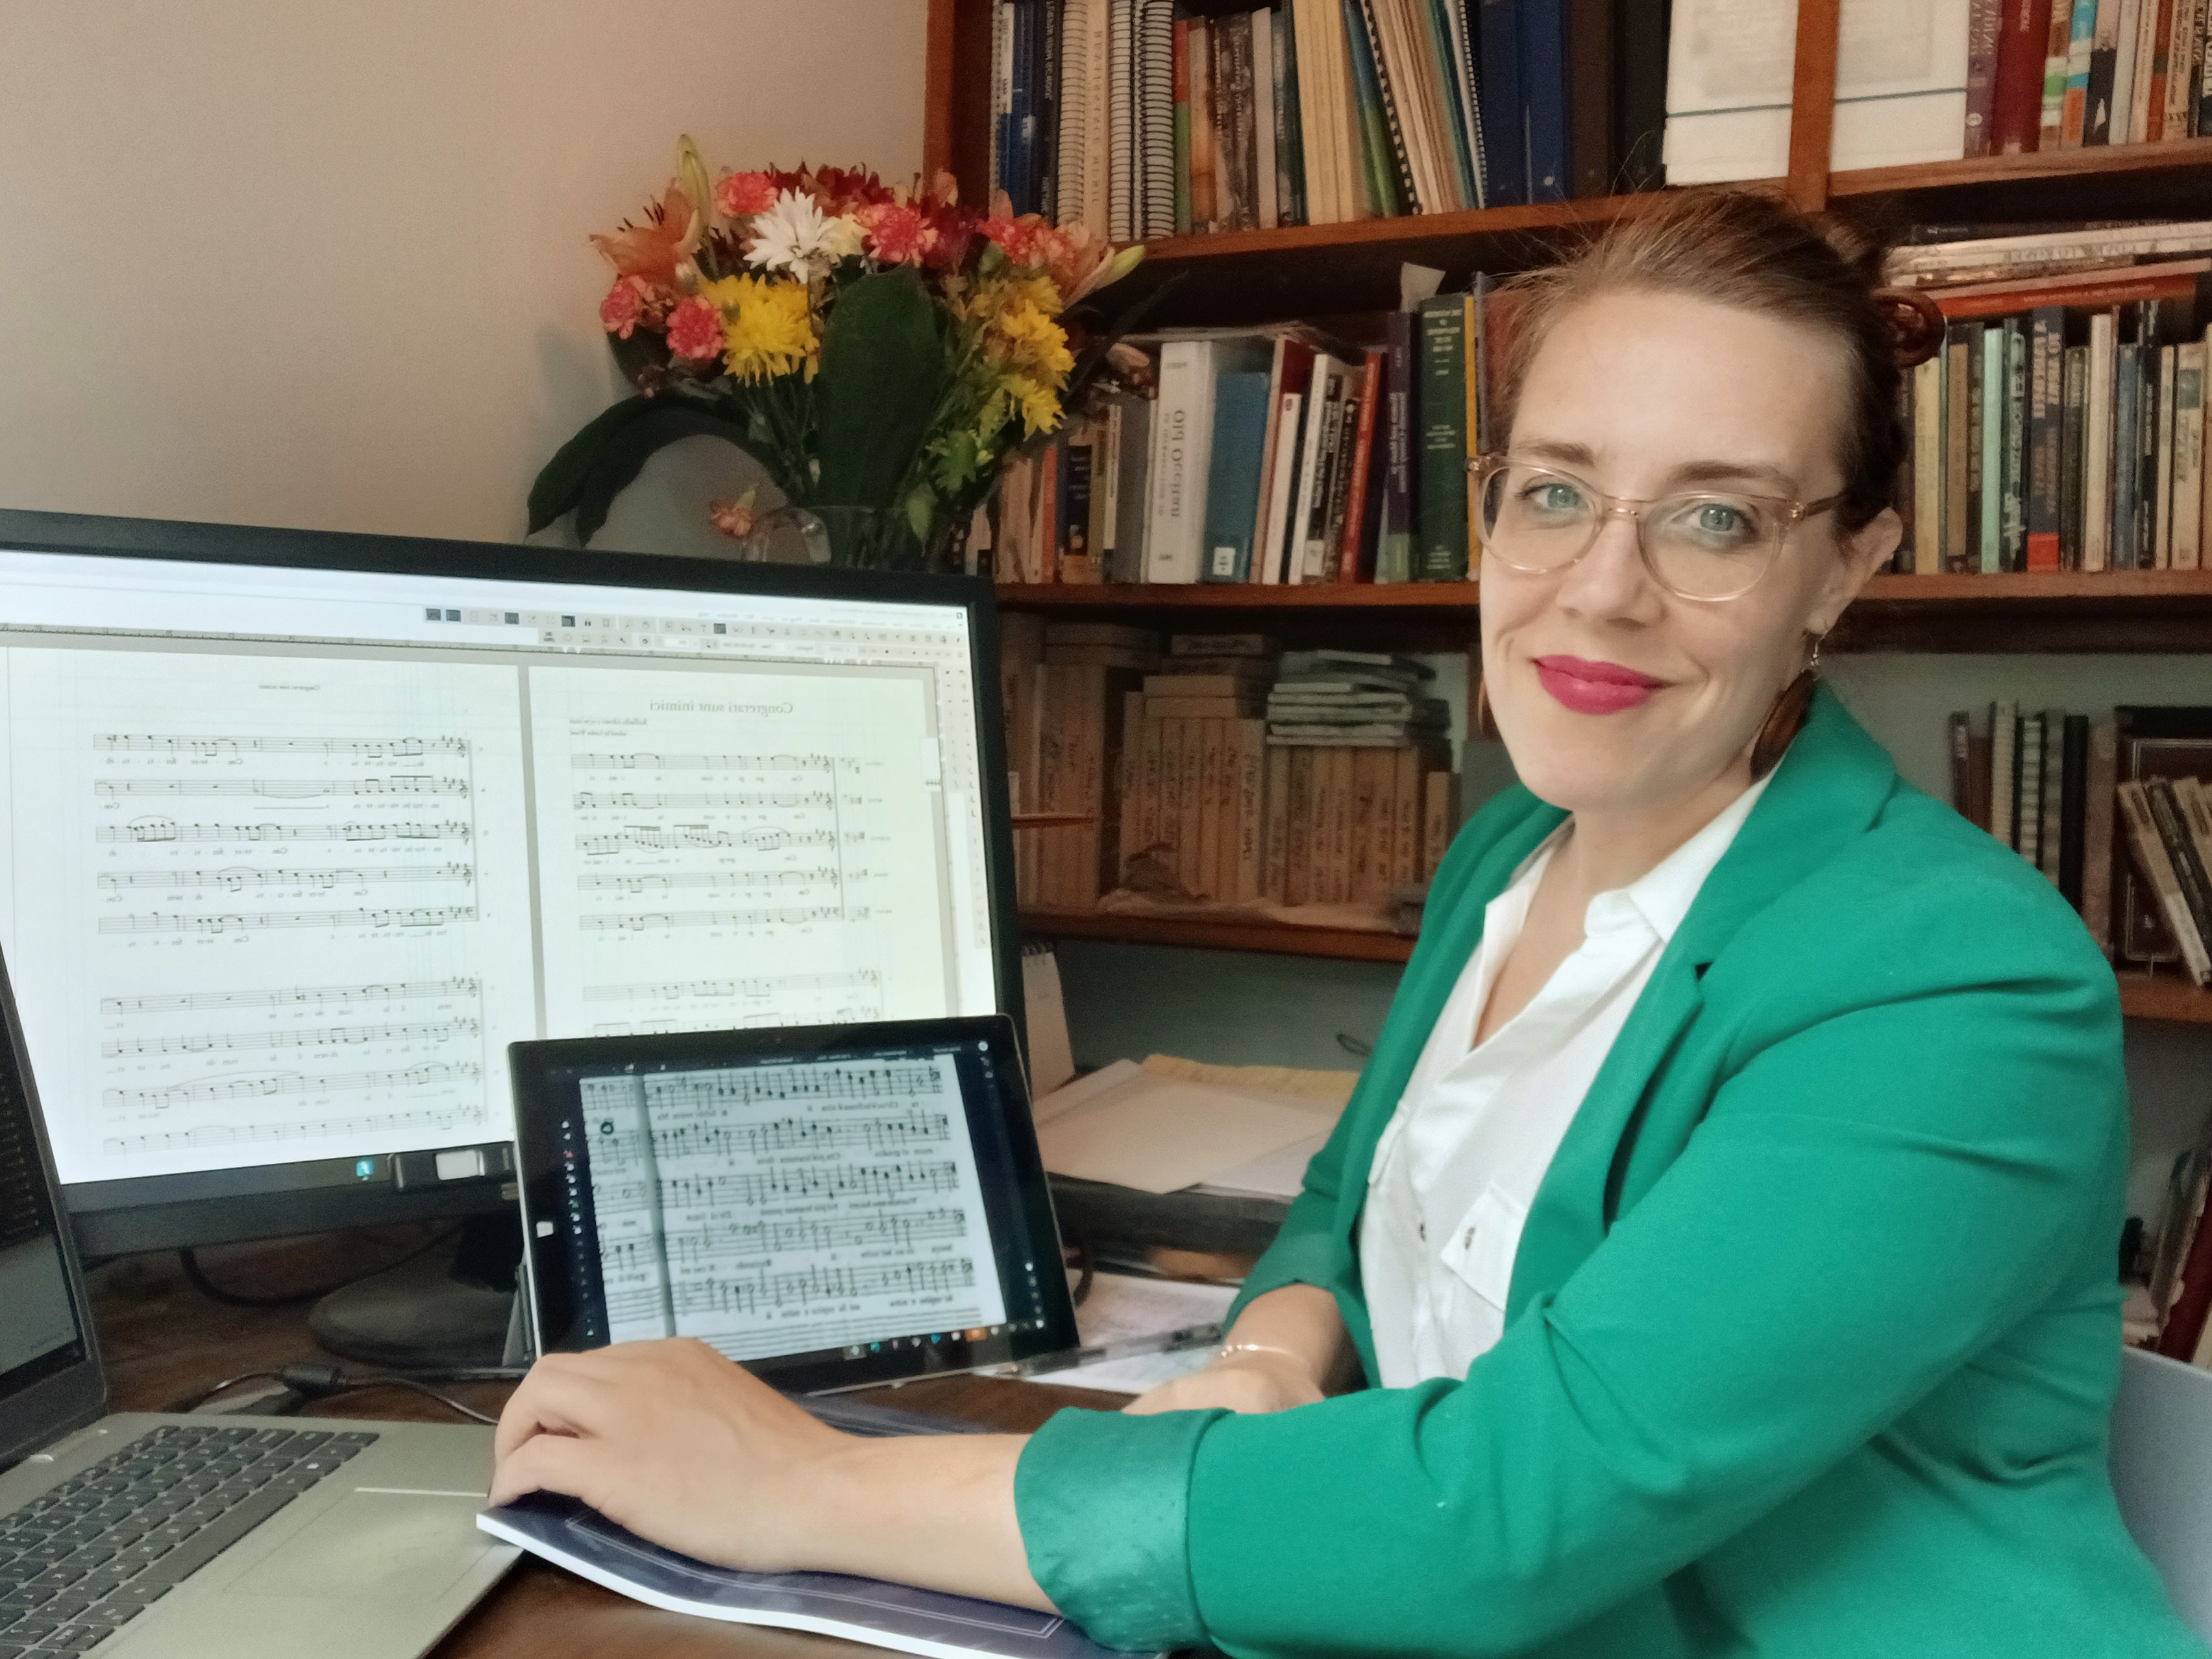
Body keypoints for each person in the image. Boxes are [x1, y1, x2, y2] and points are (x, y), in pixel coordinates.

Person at [487, 190, 2207, 1657]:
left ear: (1844, 568)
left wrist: (802, 1485)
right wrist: (1269, 1347)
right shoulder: (1513, 848)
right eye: (1555, 491)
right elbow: (1348, 1193)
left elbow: (1508, 1510)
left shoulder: (1956, 984)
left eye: (1715, 517)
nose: (1602, 587)